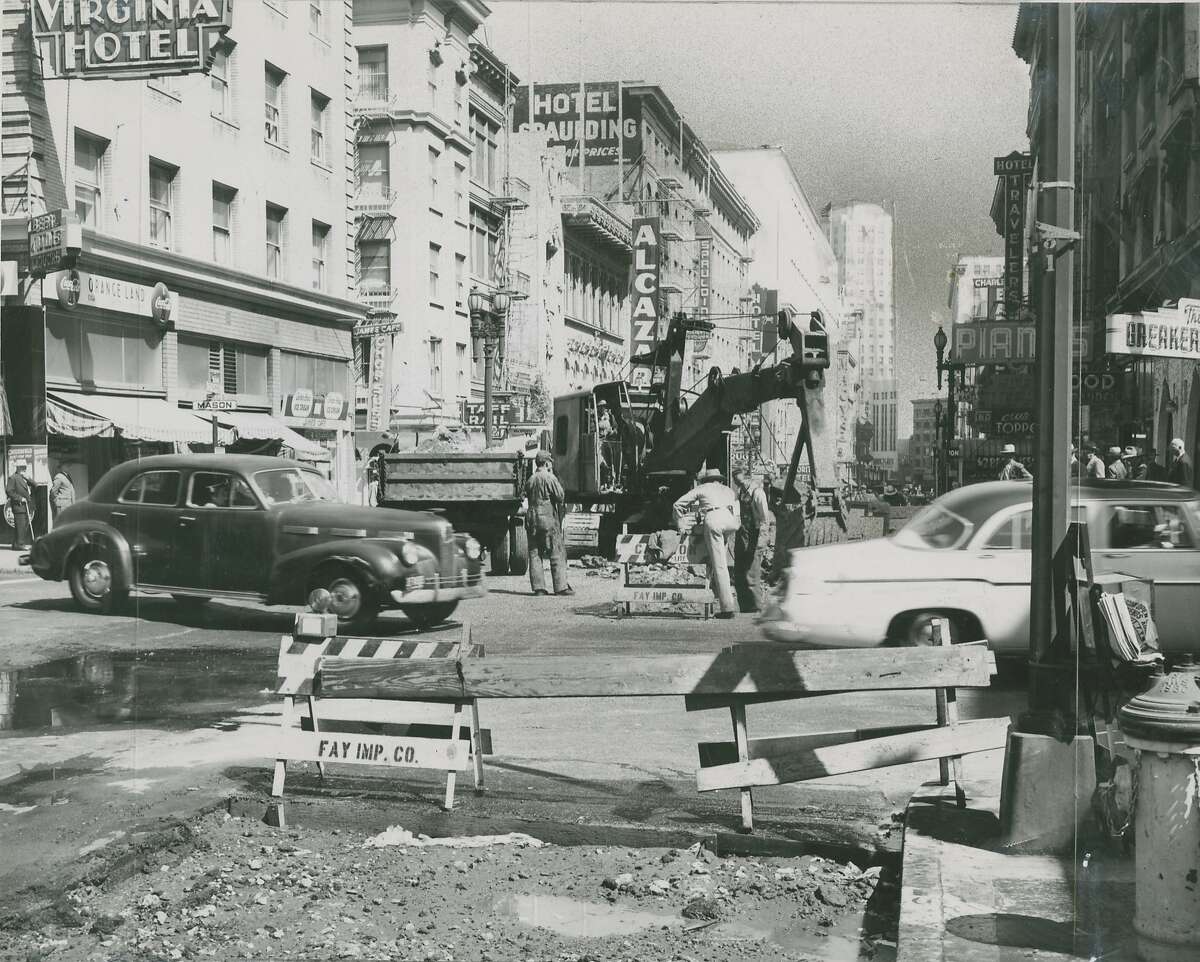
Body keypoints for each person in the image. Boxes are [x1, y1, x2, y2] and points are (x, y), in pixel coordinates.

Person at [674, 467, 739, 619]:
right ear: (719, 479)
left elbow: (678, 504)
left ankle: (727, 608)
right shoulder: (729, 490)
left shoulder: (703, 488)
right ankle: (719, 595)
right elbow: (737, 510)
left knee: (719, 565)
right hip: (731, 521)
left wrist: (680, 522)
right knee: (721, 559)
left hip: (714, 519)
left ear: (706, 480)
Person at [524, 450, 572, 596]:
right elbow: (560, 496)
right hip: (547, 519)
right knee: (555, 551)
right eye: (550, 462)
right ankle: (561, 587)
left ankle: (539, 588)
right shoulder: (549, 478)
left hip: (531, 519)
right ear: (546, 463)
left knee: (535, 553)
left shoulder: (531, 479)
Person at [731, 467, 770, 614]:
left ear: (747, 477)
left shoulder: (757, 493)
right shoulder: (741, 492)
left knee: (752, 572)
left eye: (739, 480)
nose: (737, 483)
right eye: (735, 481)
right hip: (742, 535)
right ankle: (745, 606)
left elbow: (764, 519)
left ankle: (756, 606)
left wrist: (761, 541)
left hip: (754, 535)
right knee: (740, 571)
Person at [6, 461, 33, 550]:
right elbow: (9, 491)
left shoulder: (23, 478)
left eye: (25, 467)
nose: (24, 469)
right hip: (19, 505)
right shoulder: (13, 478)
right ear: (17, 468)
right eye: (22, 467)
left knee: (21, 525)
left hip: (25, 506)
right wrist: (20, 498)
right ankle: (20, 544)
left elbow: (35, 485)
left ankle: (16, 544)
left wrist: (27, 478)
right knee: (21, 526)